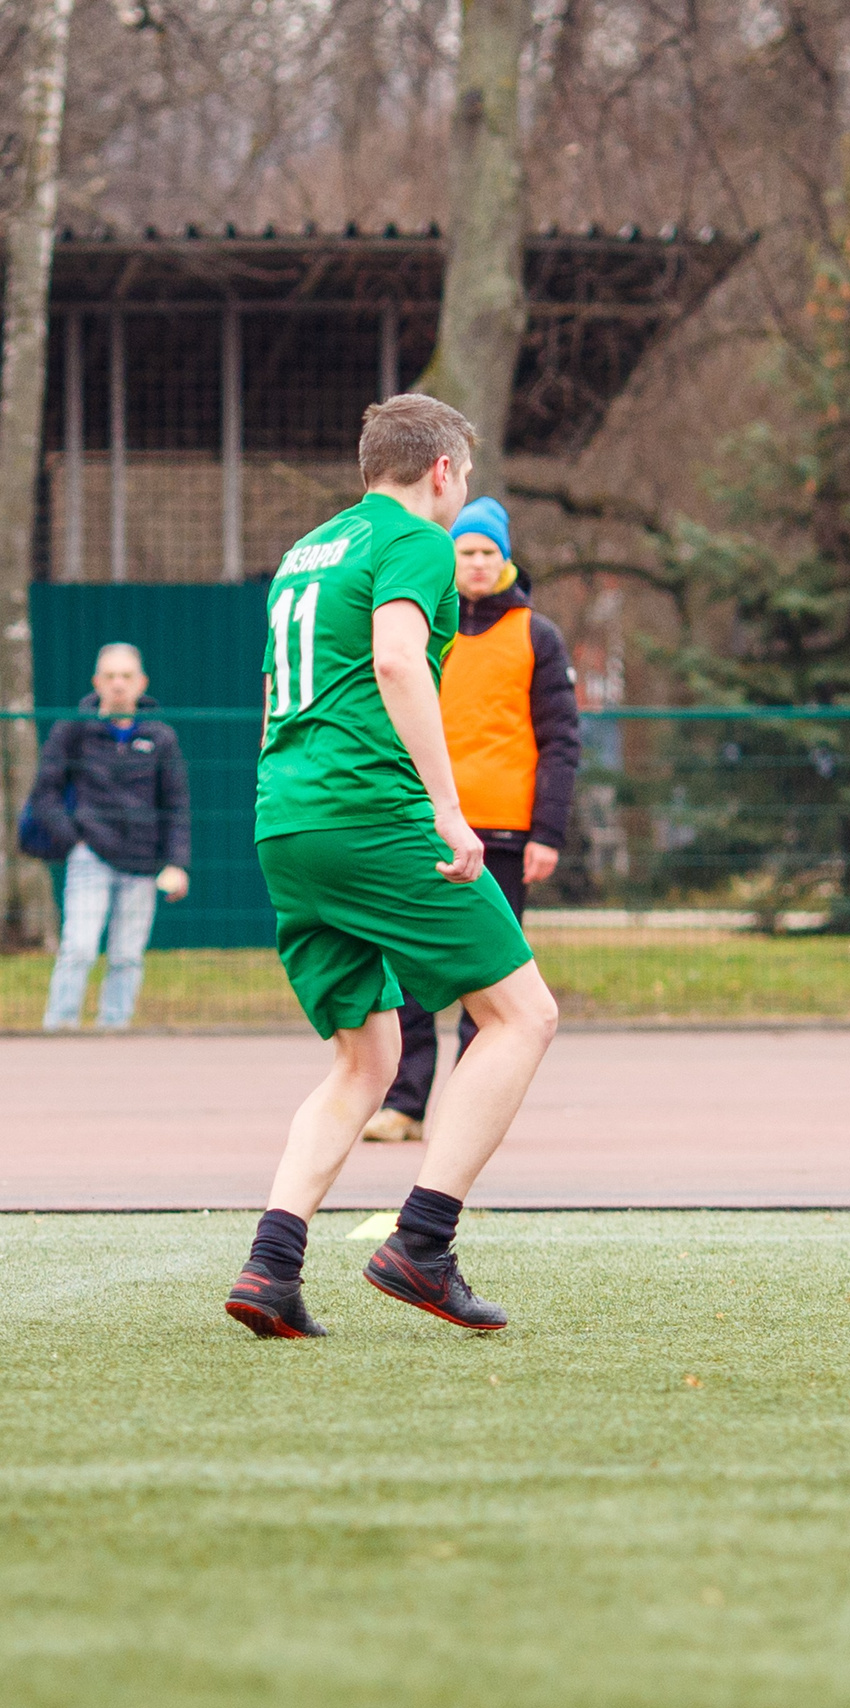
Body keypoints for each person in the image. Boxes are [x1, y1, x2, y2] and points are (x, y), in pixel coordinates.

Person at [224, 394, 561, 1340]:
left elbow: (272, 695)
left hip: (285, 817)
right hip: (370, 813)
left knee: (364, 1057)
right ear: (444, 472)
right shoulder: (415, 538)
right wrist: (449, 812)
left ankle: (272, 1267)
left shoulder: (308, 552)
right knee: (522, 1015)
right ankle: (423, 1243)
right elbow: (398, 663)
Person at [362, 496, 580, 1142]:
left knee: (490, 979)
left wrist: (548, 831)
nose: (478, 563)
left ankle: (465, 1104)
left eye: (489, 552)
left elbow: (561, 740)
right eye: (466, 551)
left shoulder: (537, 635)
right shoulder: (423, 627)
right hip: (422, 824)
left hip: (507, 834)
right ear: (449, 558)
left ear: (505, 558)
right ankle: (404, 1103)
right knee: (411, 969)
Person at [33, 643, 190, 1030]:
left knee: (126, 955)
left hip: (142, 860)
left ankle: (114, 1032)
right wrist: (74, 839)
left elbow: (176, 805)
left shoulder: (161, 737)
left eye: (126, 676)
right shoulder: (73, 730)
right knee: (79, 948)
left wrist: (177, 863)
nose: (118, 684)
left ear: (141, 683)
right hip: (90, 856)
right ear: (96, 682)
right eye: (110, 676)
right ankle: (60, 1028)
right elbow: (45, 792)